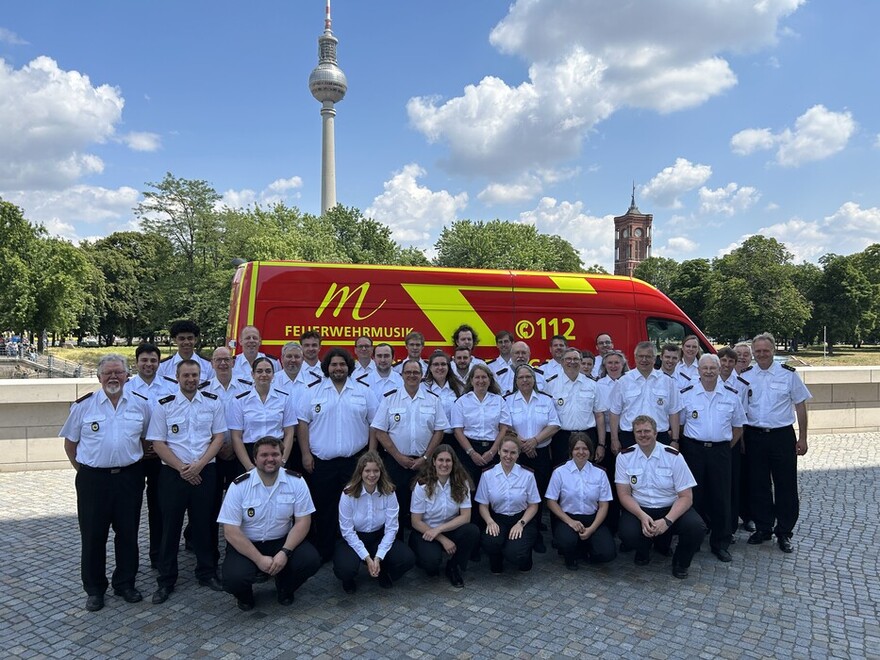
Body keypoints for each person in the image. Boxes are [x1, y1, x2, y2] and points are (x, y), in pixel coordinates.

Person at [60, 354, 151, 611]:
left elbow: (144, 441)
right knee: (92, 536)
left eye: (118, 373)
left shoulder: (140, 405)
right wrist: (86, 471)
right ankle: (94, 589)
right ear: (99, 377)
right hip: (93, 481)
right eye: (108, 373)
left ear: (126, 376)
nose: (113, 377)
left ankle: (125, 583)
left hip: (129, 478)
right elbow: (70, 445)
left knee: (128, 533)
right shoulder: (83, 407)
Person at [147, 359, 227, 604]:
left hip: (205, 471)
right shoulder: (164, 405)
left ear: (200, 377)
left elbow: (219, 437)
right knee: (170, 526)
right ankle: (166, 579)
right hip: (174, 473)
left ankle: (207, 572)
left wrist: (199, 465)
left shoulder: (213, 403)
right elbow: (158, 443)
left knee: (205, 524)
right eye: (186, 376)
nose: (191, 380)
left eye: (194, 375)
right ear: (177, 377)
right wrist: (182, 468)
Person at [217, 437, 321, 610]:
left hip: (281, 541)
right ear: (255, 459)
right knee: (234, 578)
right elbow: (230, 531)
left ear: (282, 457)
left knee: (310, 560)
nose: (270, 459)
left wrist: (284, 552)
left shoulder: (296, 482)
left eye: (275, 454)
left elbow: (303, 521)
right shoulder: (239, 486)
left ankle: (285, 587)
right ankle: (245, 596)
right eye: (264, 455)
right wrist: (258, 559)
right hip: (248, 544)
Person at [297, 348, 380, 562]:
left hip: (355, 462)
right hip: (322, 463)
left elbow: (374, 423)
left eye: (342, 364)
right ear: (327, 367)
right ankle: (325, 551)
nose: (338, 368)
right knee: (324, 508)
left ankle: (352, 552)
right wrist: (305, 454)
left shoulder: (363, 391)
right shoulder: (312, 392)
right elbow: (303, 424)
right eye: (334, 364)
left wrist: (371, 453)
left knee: (354, 508)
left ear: (348, 367)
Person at [741, 333, 811, 553]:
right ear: (753, 353)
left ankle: (784, 532)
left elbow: (800, 406)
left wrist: (803, 437)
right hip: (755, 436)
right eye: (758, 351)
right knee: (758, 484)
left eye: (766, 350)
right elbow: (741, 411)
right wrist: (742, 439)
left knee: (786, 485)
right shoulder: (746, 376)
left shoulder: (788, 374)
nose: (762, 354)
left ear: (773, 351)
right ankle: (763, 528)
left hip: (781, 436)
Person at [615, 415, 705, 579]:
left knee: (696, 527)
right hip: (641, 508)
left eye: (647, 431)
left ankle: (680, 563)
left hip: (670, 508)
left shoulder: (673, 456)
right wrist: (642, 516)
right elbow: (624, 494)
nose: (643, 435)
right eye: (639, 432)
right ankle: (643, 550)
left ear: (656, 433)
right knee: (627, 532)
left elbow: (686, 497)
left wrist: (667, 521)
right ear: (634, 434)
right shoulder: (625, 457)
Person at [678, 354, 746, 563]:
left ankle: (721, 542)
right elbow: (680, 425)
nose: (708, 371)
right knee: (694, 497)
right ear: (698, 370)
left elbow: (738, 427)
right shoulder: (687, 394)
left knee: (721, 498)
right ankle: (694, 539)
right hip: (693, 450)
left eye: (712, 368)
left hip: (720, 452)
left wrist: (724, 446)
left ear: (719, 370)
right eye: (704, 368)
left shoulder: (731, 394)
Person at [372, 359, 448, 530]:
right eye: (408, 372)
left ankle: (421, 543)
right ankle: (396, 546)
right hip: (395, 462)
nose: (412, 376)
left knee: (424, 506)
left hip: (425, 463)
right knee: (395, 507)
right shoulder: (390, 399)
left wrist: (426, 457)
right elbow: (380, 431)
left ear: (422, 376)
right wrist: (398, 457)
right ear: (402, 375)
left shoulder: (433, 400)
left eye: (416, 373)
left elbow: (439, 431)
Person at [333, 452, 415, 593]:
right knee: (345, 569)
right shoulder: (348, 493)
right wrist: (367, 557)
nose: (372, 475)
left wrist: (378, 557)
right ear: (360, 472)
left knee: (407, 558)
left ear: (381, 472)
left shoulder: (389, 491)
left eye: (376, 471)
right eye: (367, 471)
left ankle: (383, 571)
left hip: (379, 537)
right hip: (353, 538)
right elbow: (347, 531)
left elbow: (391, 528)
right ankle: (349, 579)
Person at [125, 343, 175, 570]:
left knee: (160, 508)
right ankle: (129, 560)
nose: (149, 364)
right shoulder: (126, 388)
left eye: (153, 360)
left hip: (161, 455)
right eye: (144, 360)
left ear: (159, 362)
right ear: (136, 363)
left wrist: (160, 445)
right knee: (130, 509)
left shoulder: (170, 387)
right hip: (135, 455)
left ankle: (158, 554)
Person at [504, 364, 560, 553]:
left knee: (536, 495)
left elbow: (555, 424)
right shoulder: (508, 401)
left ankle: (535, 534)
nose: (525, 380)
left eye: (529, 377)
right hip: (516, 456)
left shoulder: (545, 400)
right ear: (516, 381)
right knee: (517, 493)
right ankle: (516, 530)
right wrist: (523, 444)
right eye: (521, 377)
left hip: (540, 453)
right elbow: (505, 426)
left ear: (534, 380)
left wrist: (535, 441)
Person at [409, 445, 479, 587]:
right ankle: (423, 557)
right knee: (431, 565)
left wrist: (440, 530)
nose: (444, 464)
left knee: (472, 531)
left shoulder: (461, 482)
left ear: (453, 463)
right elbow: (416, 521)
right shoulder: (422, 485)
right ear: (433, 462)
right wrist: (441, 538)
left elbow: (466, 517)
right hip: (426, 531)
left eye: (448, 461)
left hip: (448, 528)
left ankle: (454, 566)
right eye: (440, 460)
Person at [545, 432, 616, 570]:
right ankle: (571, 556)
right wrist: (570, 521)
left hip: (592, 518)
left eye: (585, 448)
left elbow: (603, 505)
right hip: (568, 518)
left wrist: (592, 528)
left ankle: (587, 550)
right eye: (577, 448)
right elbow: (551, 502)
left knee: (608, 553)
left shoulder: (600, 473)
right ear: (571, 451)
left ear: (590, 451)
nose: (581, 452)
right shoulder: (560, 472)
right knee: (566, 542)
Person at [475, 436, 541, 574]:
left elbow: (533, 505)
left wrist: (521, 523)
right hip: (497, 518)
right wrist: (490, 521)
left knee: (516, 554)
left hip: (522, 518)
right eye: (505, 451)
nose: (508, 456)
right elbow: (482, 504)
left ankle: (523, 555)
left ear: (518, 454)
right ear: (498, 451)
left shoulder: (527, 475)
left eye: (513, 452)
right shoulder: (488, 475)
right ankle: (496, 557)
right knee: (490, 542)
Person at [609, 341, 681, 452]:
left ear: (654, 359)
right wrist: (614, 440)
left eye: (648, 356)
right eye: (641, 356)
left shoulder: (667, 382)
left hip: (659, 436)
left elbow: (674, 412)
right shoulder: (623, 381)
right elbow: (614, 413)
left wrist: (675, 440)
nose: (644, 360)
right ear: (635, 357)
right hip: (630, 437)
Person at [228, 356, 298, 470]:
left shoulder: (284, 398)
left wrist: (282, 460)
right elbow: (236, 436)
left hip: (277, 452)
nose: (264, 374)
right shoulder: (240, 400)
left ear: (273, 375)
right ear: (252, 374)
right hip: (250, 454)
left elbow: (289, 433)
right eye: (259, 371)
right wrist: (249, 466)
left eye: (268, 371)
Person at [451, 364, 511, 494]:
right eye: (477, 377)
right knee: (469, 490)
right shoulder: (462, 401)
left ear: (490, 380)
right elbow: (457, 431)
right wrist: (472, 453)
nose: (481, 381)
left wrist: (493, 452)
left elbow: (504, 428)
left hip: (493, 450)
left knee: (492, 491)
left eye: (484, 377)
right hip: (468, 451)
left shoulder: (499, 400)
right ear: (471, 380)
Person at [544, 347, 606, 468]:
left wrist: (601, 444)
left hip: (588, 436)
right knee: (561, 473)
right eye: (568, 359)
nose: (572, 362)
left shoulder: (592, 384)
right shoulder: (550, 384)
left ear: (580, 361)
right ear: (561, 362)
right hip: (561, 438)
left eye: (576, 359)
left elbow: (599, 415)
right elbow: (546, 417)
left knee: (588, 473)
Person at [732, 342, 755, 533]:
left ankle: (749, 516)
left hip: (751, 432)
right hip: (732, 434)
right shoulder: (726, 378)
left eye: (745, 354)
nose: (742, 357)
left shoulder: (754, 377)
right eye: (737, 353)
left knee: (750, 478)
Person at [422, 350, 464, 447]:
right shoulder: (422, 388)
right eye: (436, 364)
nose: (440, 368)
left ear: (448, 367)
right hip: (429, 438)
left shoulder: (460, 388)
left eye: (443, 364)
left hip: (454, 439)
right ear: (430, 368)